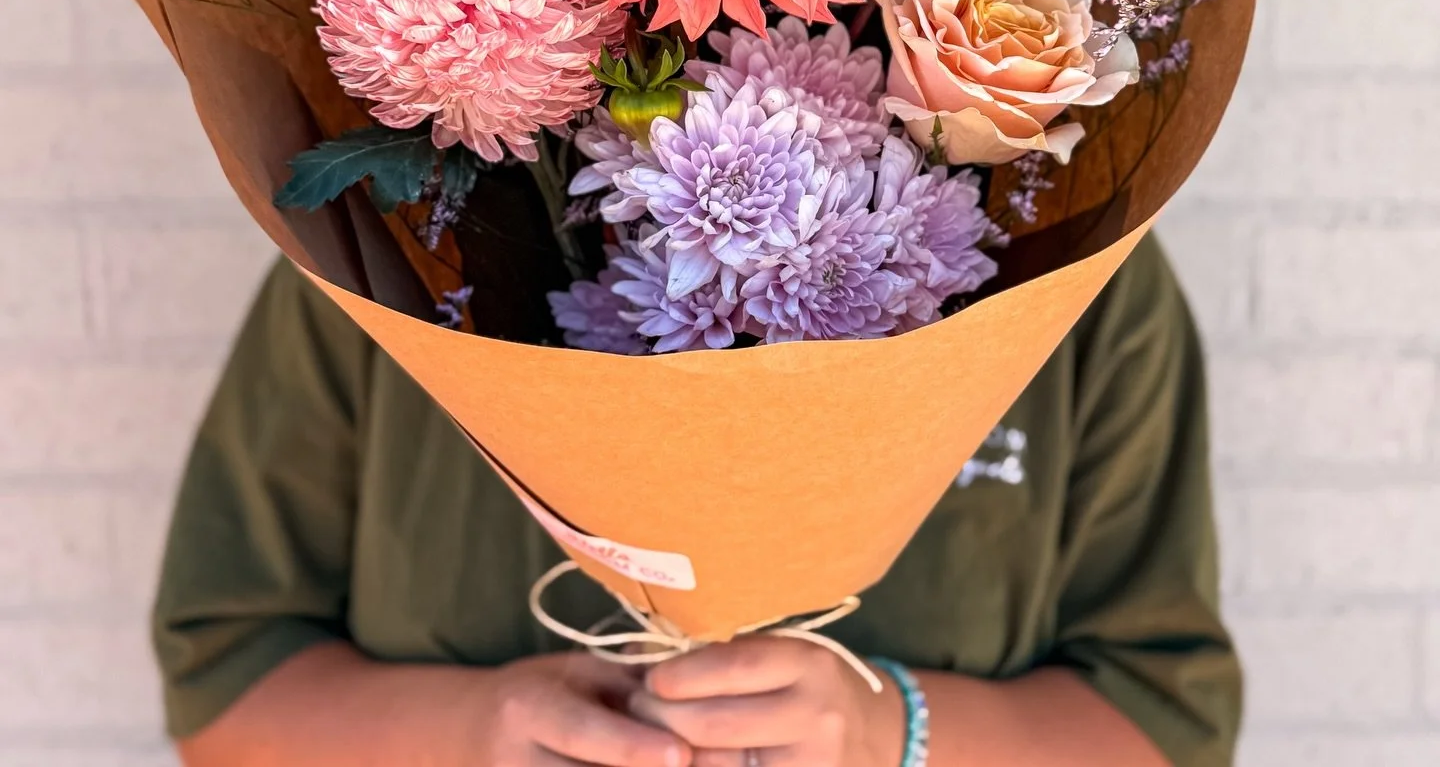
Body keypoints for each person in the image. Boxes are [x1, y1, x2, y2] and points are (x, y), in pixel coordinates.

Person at [153, 234, 1240, 766]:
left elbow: (1161, 719)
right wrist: (472, 728)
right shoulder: (379, 254)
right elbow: (228, 684)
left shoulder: (1071, 272)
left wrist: (885, 729)